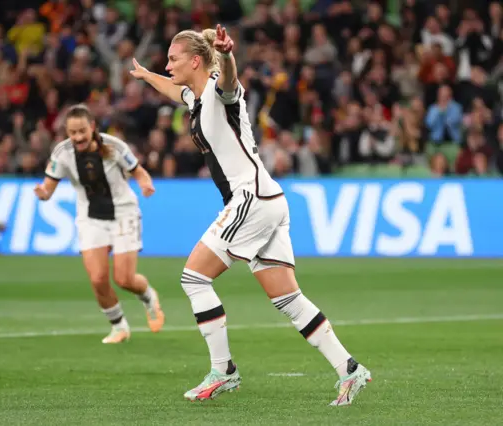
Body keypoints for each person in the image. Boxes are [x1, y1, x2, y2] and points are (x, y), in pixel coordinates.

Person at [131, 25, 371, 406]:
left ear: (196, 60)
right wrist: (147, 77)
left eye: (173, 59)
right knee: (289, 300)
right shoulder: (195, 96)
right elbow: (175, 90)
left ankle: (222, 370)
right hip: (268, 198)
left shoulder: (218, 90)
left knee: (194, 277)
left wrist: (226, 54)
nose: (167, 64)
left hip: (251, 198)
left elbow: (229, 79)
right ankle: (350, 369)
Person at [34, 104, 165, 344]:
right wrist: (42, 193)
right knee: (97, 279)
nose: (78, 137)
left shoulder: (114, 147)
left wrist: (146, 184)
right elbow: (48, 187)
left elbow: (139, 172)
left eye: (82, 131)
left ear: (92, 127)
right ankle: (119, 326)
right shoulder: (62, 153)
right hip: (90, 216)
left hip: (123, 212)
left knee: (124, 279)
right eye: (72, 133)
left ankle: (147, 296)